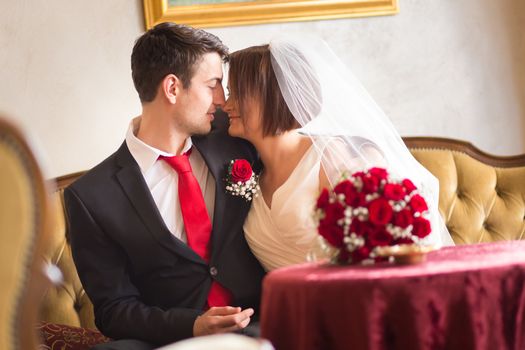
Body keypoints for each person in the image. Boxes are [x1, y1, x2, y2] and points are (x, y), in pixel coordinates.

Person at [64, 23, 266, 350]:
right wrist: (193, 325)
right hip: (176, 339)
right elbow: (114, 309)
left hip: (260, 322)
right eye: (213, 85)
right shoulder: (90, 197)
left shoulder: (236, 138)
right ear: (172, 88)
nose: (223, 100)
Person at [223, 38, 455, 272]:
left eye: (237, 94)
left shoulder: (332, 157)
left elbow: (383, 248)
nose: (226, 105)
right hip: (285, 305)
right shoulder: (247, 173)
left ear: (271, 96)